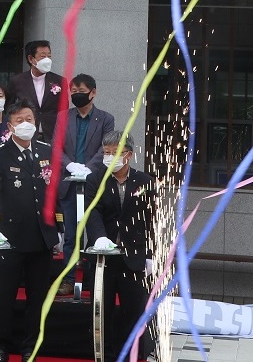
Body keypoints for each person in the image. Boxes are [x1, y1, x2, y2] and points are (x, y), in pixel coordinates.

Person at [0, 100, 63, 362]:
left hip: (41, 237)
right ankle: (1, 345)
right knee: (4, 296)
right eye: (19, 120)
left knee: (37, 298)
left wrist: (59, 227)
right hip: (10, 238)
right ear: (10, 126)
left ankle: (30, 347)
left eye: (29, 119)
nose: (25, 124)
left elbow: (53, 192)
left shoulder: (46, 152)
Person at [85, 131, 155, 361]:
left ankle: (129, 355)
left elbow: (151, 220)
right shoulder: (95, 179)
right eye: (106, 153)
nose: (110, 157)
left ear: (129, 155)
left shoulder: (144, 181)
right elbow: (91, 211)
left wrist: (150, 254)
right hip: (103, 257)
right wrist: (99, 237)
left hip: (133, 257)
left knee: (132, 311)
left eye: (115, 153)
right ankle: (102, 355)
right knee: (101, 311)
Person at [56, 73, 115, 294]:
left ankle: (93, 279)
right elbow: (56, 147)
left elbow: (106, 147)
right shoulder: (63, 117)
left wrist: (88, 168)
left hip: (95, 183)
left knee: (95, 231)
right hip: (70, 183)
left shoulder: (105, 118)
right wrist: (71, 165)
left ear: (93, 92)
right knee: (71, 235)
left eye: (81, 92)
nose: (77, 95)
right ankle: (69, 278)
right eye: (73, 92)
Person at [7, 40, 66, 141]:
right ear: (31, 59)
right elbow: (8, 108)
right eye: (43, 56)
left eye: (49, 56)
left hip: (52, 135)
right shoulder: (17, 81)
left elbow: (64, 110)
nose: (47, 60)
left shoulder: (59, 81)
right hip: (26, 136)